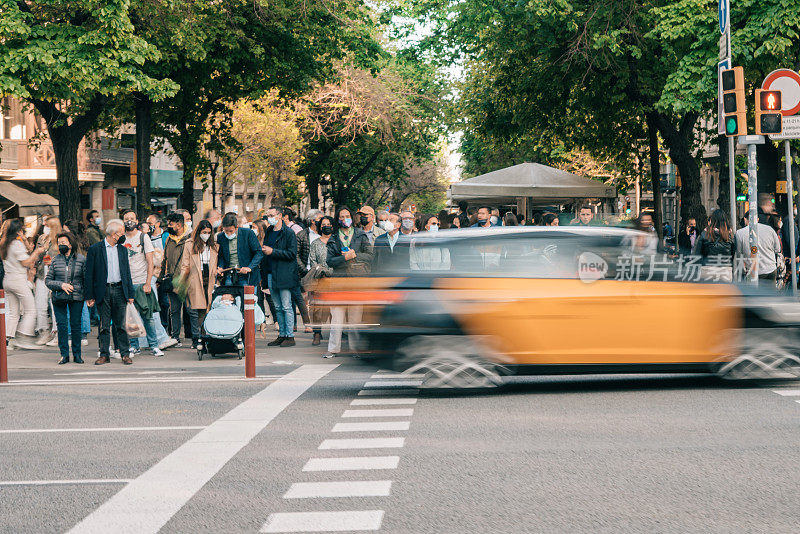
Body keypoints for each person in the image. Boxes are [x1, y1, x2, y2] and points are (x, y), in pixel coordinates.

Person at [324, 206, 374, 358]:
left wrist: (354, 256)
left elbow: (370, 256)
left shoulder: (361, 235)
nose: (344, 219)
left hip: (356, 282)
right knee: (336, 319)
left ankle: (355, 349)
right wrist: (343, 258)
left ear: (352, 218)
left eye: (347, 216)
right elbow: (329, 261)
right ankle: (333, 349)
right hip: (338, 282)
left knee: (355, 319)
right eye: (341, 216)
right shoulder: (333, 238)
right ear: (337, 219)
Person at [84, 220, 135, 365]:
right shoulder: (95, 249)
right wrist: (90, 295)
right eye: (121, 233)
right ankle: (104, 354)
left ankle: (125, 353)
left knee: (121, 325)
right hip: (103, 290)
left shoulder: (122, 249)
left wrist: (130, 294)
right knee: (104, 325)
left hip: (120, 290)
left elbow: (126, 273)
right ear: (113, 234)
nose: (123, 235)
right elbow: (89, 274)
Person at [120, 210, 165, 357]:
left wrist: (148, 282)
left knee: (148, 316)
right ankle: (134, 346)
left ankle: (154, 345)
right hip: (126, 284)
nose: (129, 221)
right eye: (126, 218)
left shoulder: (143, 237)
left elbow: (150, 261)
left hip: (141, 282)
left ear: (137, 220)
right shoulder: (121, 238)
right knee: (131, 318)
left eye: (132, 218)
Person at [1, 219, 46, 350]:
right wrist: (37, 252)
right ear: (18, 230)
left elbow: (25, 252)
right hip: (18, 280)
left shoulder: (4, 243)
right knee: (31, 310)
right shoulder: (15, 244)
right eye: (22, 229)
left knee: (14, 313)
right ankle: (23, 336)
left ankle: (8, 340)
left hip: (7, 280)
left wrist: (25, 241)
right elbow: (26, 262)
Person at [260, 207, 302, 347]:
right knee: (277, 307)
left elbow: (291, 254)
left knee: (286, 306)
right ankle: (282, 334)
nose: (269, 218)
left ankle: (289, 336)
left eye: (271, 215)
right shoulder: (270, 231)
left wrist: (273, 251)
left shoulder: (288, 233)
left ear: (279, 216)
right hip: (271, 273)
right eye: (268, 215)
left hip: (284, 274)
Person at [45, 232, 86, 364]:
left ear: (71, 243)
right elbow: (48, 281)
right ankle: (64, 355)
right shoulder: (55, 260)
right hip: (59, 296)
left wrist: (83, 292)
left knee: (75, 325)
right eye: (59, 243)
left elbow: (85, 279)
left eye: (64, 242)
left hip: (76, 296)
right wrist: (61, 285)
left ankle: (77, 355)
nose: (61, 245)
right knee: (62, 326)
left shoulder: (81, 259)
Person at [161, 212, 200, 348]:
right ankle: (175, 337)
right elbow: (165, 260)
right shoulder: (169, 239)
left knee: (191, 311)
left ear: (179, 224)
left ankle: (196, 338)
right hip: (172, 280)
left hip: (188, 280)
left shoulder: (191, 239)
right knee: (174, 310)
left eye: (170, 224)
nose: (168, 226)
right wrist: (161, 277)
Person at [181, 219, 219, 329]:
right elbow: (185, 264)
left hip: (210, 278)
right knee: (194, 309)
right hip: (195, 279)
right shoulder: (189, 245)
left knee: (206, 308)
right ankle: (196, 337)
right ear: (199, 232)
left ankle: (203, 335)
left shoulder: (214, 246)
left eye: (208, 232)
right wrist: (183, 283)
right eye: (204, 232)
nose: (206, 235)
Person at [33, 216, 62, 345]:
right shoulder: (42, 238)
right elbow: (36, 255)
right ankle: (43, 331)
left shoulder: (60, 240)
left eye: (48, 225)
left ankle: (56, 333)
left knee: (54, 304)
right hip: (41, 274)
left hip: (55, 275)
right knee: (40, 304)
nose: (45, 227)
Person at [307, 216, 335, 346]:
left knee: (334, 309)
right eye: (324, 224)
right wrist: (322, 270)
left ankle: (337, 335)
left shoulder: (336, 242)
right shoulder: (315, 243)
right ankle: (317, 333)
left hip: (335, 279)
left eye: (329, 224)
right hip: (320, 279)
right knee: (317, 308)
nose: (326, 226)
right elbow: (313, 262)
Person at [216, 212, 264, 287]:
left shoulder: (248, 233)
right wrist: (220, 267)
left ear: (237, 227)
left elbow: (258, 253)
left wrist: (249, 267)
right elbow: (221, 256)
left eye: (231, 231)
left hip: (246, 275)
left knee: (247, 297)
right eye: (226, 231)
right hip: (229, 274)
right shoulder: (221, 237)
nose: (228, 234)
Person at [734, 212, 782, 286]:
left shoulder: (739, 233)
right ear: (758, 219)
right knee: (772, 296)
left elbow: (739, 254)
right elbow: (777, 249)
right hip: (770, 269)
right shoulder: (769, 229)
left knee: (755, 296)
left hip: (753, 271)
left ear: (745, 219)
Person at [692, 209, 735, 281]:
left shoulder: (704, 234)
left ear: (712, 220)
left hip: (707, 270)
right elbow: (733, 254)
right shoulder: (730, 235)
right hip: (725, 271)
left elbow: (697, 255)